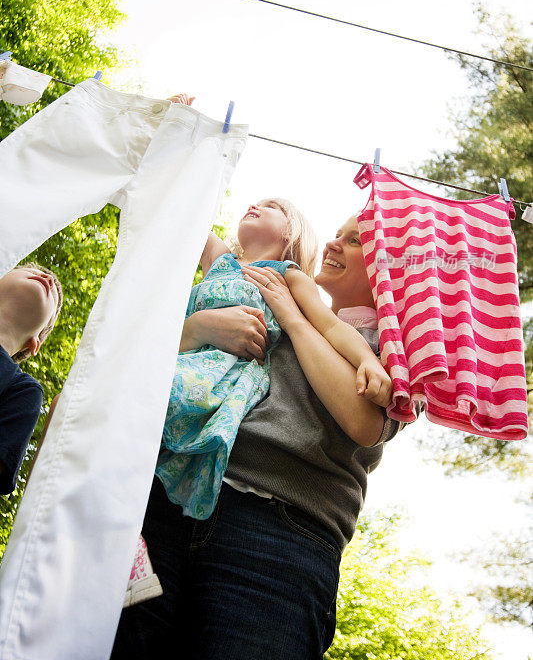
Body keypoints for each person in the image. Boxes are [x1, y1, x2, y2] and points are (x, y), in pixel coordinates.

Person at [112, 212, 403, 660]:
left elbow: (362, 423)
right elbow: (143, 364)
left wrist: (294, 318)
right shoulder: (263, 294)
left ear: (392, 267)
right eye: (338, 234)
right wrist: (198, 329)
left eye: (357, 241)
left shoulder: (396, 351)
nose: (334, 244)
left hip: (279, 534)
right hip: (169, 496)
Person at [0, 262, 63, 495]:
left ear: (34, 343)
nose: (46, 279)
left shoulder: (23, 390)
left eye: (53, 297)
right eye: (33, 272)